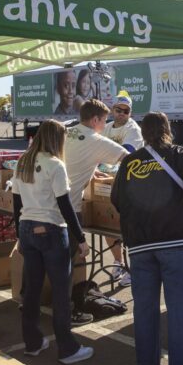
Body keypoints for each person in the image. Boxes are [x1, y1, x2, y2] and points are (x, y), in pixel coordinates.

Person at [110, 112, 183, 365]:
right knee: (179, 307)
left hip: (139, 244)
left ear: (143, 132)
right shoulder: (179, 153)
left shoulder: (129, 161)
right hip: (175, 240)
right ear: (167, 130)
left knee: (144, 308)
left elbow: (116, 199)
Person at [11, 119, 94, 365]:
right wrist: (80, 238)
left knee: (32, 290)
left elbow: (16, 204)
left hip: (27, 228)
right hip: (52, 231)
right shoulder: (55, 165)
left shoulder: (23, 162)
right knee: (60, 292)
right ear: (56, 139)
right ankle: (67, 348)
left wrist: (19, 234)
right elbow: (65, 205)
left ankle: (33, 342)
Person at [65, 99, 128, 299]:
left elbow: (71, 162)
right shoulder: (96, 139)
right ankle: (67, 312)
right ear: (94, 120)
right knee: (65, 268)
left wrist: (90, 172)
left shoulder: (68, 132)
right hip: (69, 209)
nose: (104, 126)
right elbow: (129, 159)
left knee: (48, 265)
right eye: (103, 121)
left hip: (46, 204)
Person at [99, 92, 144, 285]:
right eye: (118, 110)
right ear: (112, 110)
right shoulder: (107, 128)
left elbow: (126, 155)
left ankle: (133, 270)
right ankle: (118, 262)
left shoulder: (133, 129)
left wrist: (103, 159)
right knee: (107, 224)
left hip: (131, 184)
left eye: (126, 111)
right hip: (108, 181)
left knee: (131, 229)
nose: (122, 114)